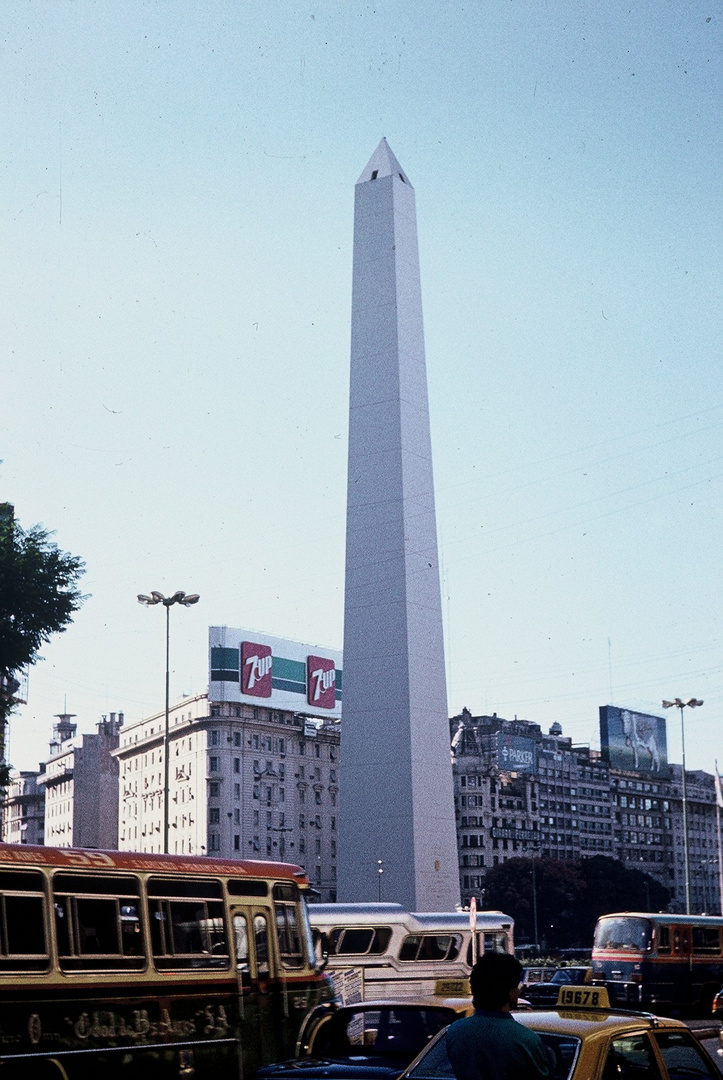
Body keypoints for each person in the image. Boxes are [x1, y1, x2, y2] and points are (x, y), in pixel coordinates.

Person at [446, 952, 550, 1080]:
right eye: (516, 985)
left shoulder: (455, 1031)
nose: (519, 990)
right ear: (510, 992)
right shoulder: (527, 1040)